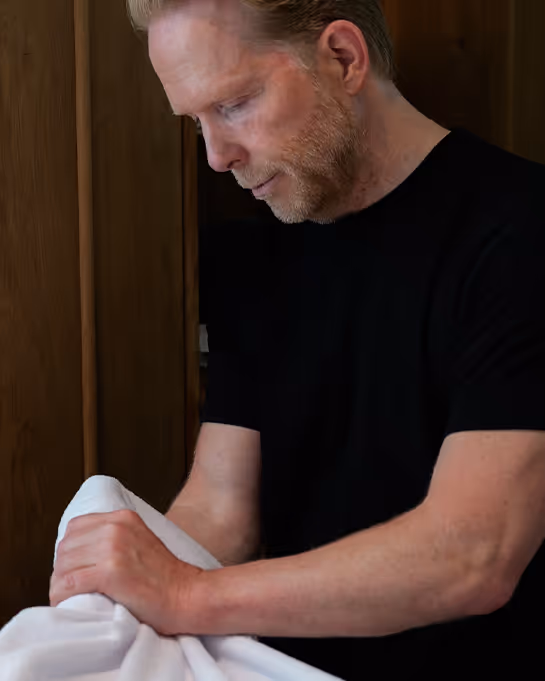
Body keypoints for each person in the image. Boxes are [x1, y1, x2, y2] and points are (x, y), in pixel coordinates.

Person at [51, 1, 545, 678]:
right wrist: (111, 594)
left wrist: (185, 594)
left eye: (233, 104)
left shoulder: (521, 232)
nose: (216, 157)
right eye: (195, 121)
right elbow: (221, 510)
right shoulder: (257, 257)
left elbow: (473, 555)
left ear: (342, 57)